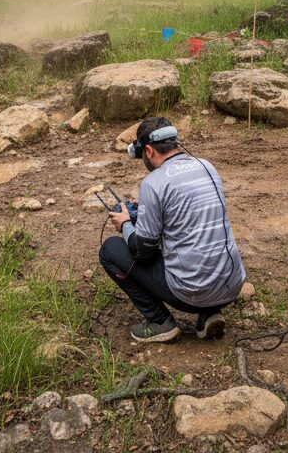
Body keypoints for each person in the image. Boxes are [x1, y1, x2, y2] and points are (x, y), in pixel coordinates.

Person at [98, 116, 246, 343]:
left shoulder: (153, 183)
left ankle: (159, 322)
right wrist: (147, 213)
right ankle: (209, 313)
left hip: (189, 294)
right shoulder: (207, 166)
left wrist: (126, 224)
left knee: (110, 250)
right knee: (196, 241)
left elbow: (143, 251)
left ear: (147, 150)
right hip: (231, 286)